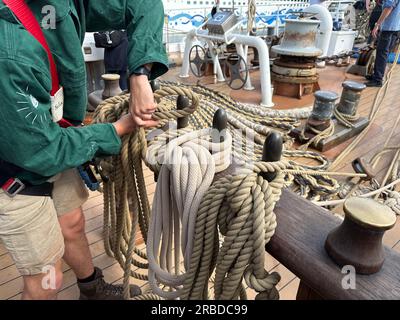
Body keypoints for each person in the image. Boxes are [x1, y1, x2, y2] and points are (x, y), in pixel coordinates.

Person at [0, 0, 168, 300]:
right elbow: (40, 150)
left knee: (72, 222)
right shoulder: (7, 51)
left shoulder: (60, 3)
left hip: (54, 137)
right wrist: (117, 128)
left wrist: (140, 73)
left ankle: (91, 289)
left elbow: (142, 3)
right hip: (15, 171)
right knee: (46, 275)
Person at [366, 0, 400, 87]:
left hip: (388, 28)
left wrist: (377, 25)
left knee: (382, 53)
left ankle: (377, 79)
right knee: (385, 53)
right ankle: (377, 75)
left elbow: (388, 8)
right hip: (396, 27)